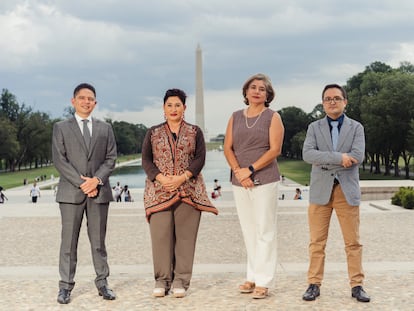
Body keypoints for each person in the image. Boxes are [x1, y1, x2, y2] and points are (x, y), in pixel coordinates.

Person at [142, 88, 218, 298]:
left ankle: (180, 280)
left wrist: (183, 177)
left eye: (178, 105)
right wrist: (161, 178)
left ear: (184, 108)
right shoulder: (153, 132)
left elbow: (200, 159)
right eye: (169, 105)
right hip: (159, 191)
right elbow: (146, 160)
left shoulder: (195, 132)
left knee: (185, 238)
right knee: (161, 237)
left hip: (188, 190)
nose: (173, 109)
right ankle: (162, 279)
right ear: (163, 108)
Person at [301, 84, 370, 303]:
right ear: (323, 103)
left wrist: (327, 159)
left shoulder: (356, 128)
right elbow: (308, 154)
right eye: (328, 98)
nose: (332, 101)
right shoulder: (314, 127)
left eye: (337, 98)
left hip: (346, 191)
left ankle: (357, 285)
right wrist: (340, 158)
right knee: (317, 242)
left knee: (353, 242)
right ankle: (314, 283)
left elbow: (358, 155)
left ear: (345, 102)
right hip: (320, 191)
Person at [52, 83, 117, 304]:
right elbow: (60, 160)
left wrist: (96, 181)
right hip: (71, 193)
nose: (86, 102)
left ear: (95, 103)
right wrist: (83, 184)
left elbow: (111, 158)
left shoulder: (105, 128)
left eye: (90, 99)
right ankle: (65, 287)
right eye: (82, 98)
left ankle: (103, 283)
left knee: (99, 241)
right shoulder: (60, 127)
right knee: (68, 242)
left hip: (99, 193)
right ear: (73, 101)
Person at [223, 73, 284, 299]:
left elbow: (274, 149)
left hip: (264, 178)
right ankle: (252, 275)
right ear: (246, 92)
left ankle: (264, 280)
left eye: (262, 89)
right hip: (240, 181)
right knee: (249, 230)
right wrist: (239, 172)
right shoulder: (235, 117)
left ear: (268, 95)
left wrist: (250, 169)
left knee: (265, 230)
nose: (257, 91)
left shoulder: (272, 117)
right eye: (253, 87)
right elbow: (228, 147)